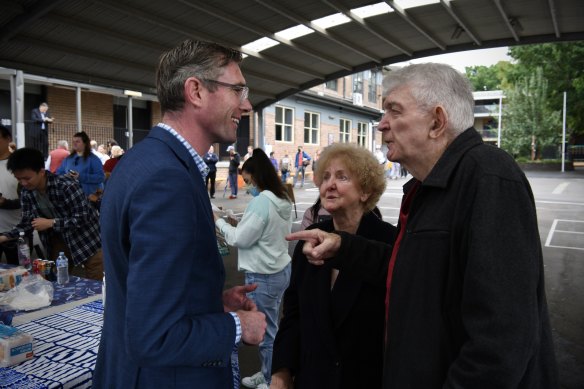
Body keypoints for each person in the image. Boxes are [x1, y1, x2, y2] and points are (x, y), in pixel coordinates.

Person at [286, 63, 558, 388]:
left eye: (394, 111)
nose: (381, 125)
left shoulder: (486, 177)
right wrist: (343, 247)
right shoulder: (429, 187)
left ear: (436, 122)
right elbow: (413, 272)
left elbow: (501, 335)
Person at [93, 39, 266, 388]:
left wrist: (208, 301)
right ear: (196, 91)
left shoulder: (143, 161)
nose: (246, 104)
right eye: (237, 90)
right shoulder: (167, 179)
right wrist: (238, 325)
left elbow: (143, 289)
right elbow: (154, 336)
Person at [271, 143, 394, 389]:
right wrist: (282, 370)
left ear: (366, 191)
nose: (330, 184)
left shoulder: (388, 242)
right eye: (326, 176)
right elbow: (293, 313)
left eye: (342, 177)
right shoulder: (311, 237)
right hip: (313, 379)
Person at [215, 148, 292, 389]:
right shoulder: (283, 198)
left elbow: (241, 240)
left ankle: (271, 380)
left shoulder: (262, 202)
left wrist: (217, 220)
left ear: (257, 177)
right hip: (279, 271)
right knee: (273, 327)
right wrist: (239, 222)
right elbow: (266, 231)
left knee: (266, 334)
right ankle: (267, 372)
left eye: (248, 181)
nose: (248, 187)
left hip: (263, 276)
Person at [0, 148, 103, 280]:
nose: (23, 183)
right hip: (57, 242)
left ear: (41, 172)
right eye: (19, 179)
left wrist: (51, 222)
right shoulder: (26, 192)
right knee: (58, 282)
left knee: (97, 284)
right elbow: (26, 223)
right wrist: (4, 237)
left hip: (88, 240)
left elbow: (83, 218)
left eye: (27, 178)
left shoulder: (66, 186)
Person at [55, 131, 105, 197]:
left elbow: (100, 177)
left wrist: (80, 176)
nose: (74, 144)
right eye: (73, 141)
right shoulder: (68, 159)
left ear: (85, 143)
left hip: (89, 198)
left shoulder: (93, 159)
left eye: (77, 141)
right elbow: (59, 173)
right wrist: (65, 177)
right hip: (71, 197)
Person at [0, 125, 21, 265]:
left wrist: (4, 203)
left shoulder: (19, 163)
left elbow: (30, 199)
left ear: (8, 139)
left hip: (15, 231)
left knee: (19, 276)